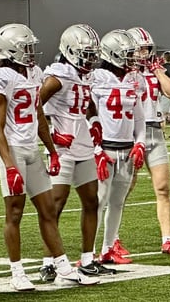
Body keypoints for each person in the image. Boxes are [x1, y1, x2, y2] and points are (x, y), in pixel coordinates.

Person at [0, 23, 99, 291]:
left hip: (31, 148)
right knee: (14, 212)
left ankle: (62, 266)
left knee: (48, 210)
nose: (31, 53)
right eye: (25, 48)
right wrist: (9, 165)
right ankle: (17, 272)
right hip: (11, 149)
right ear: (10, 50)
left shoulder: (35, 72)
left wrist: (50, 149)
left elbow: (38, 114)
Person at [38, 24, 116, 281]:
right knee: (55, 204)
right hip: (62, 148)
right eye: (86, 53)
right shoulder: (58, 74)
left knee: (91, 201)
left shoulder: (84, 76)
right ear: (70, 51)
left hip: (82, 146)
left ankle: (86, 259)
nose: (91, 59)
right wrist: (51, 132)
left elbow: (89, 104)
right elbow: (34, 105)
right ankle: (48, 261)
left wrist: (94, 124)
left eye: (93, 54)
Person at [126, 27, 170, 255]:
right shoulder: (121, 73)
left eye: (148, 49)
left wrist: (158, 72)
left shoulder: (153, 72)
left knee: (163, 188)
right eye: (141, 49)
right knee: (123, 190)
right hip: (129, 134)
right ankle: (112, 240)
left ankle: (167, 240)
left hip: (154, 132)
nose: (145, 53)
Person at [91, 30, 146, 264]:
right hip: (106, 147)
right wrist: (96, 150)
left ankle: (108, 247)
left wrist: (141, 142)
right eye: (127, 54)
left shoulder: (133, 79)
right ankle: (88, 252)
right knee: (99, 200)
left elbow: (139, 115)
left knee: (117, 201)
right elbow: (89, 115)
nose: (133, 59)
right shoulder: (97, 77)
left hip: (126, 148)